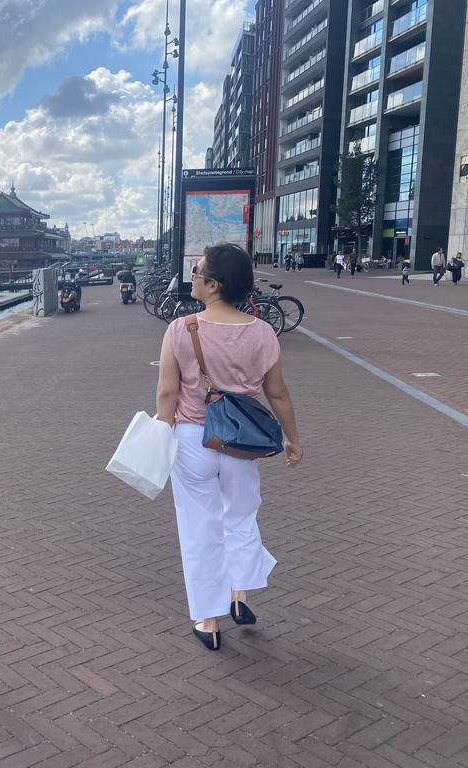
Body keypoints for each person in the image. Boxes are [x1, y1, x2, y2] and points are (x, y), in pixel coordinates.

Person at [155, 243, 302, 652]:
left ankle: (208, 619)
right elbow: (278, 393)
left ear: (214, 285)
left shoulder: (180, 329)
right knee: (240, 517)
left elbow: (168, 391)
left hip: (191, 440)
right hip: (241, 441)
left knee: (199, 528)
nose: (194, 277)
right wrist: (292, 437)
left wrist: (160, 437)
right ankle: (240, 595)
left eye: (198, 271)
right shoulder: (262, 332)